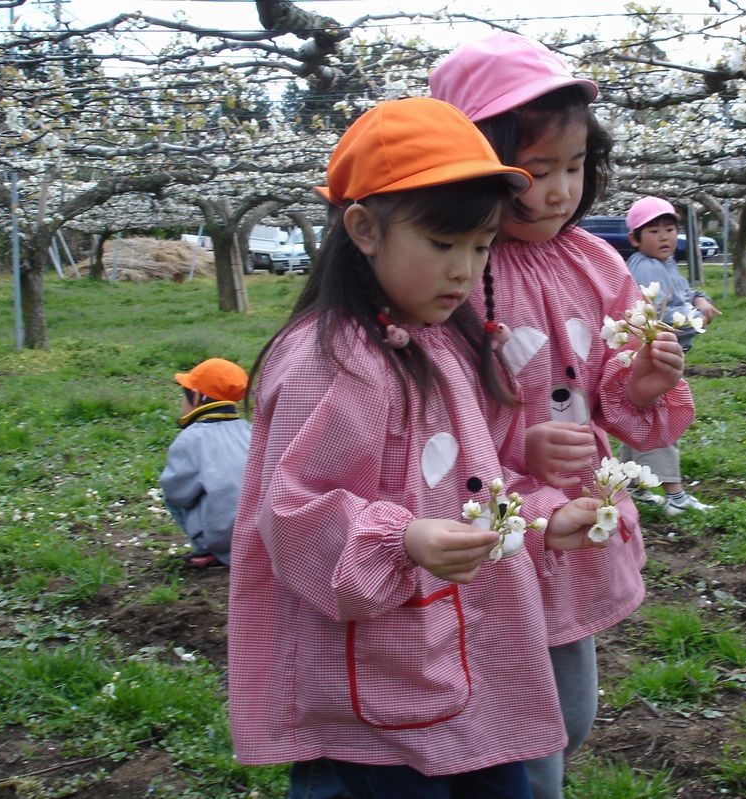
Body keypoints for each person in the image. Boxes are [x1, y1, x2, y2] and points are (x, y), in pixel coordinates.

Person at [226, 97, 606, 799]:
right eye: (442, 244)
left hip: (461, 658)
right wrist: (404, 537)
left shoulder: (447, 340)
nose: (464, 270)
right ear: (365, 229)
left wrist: (544, 517)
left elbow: (476, 481)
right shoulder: (331, 362)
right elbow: (294, 516)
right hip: (375, 686)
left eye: (481, 245)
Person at [430, 33, 695, 799]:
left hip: (574, 516)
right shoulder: (455, 264)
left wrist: (642, 382)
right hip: (489, 520)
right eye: (535, 171)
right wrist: (519, 448)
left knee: (570, 712)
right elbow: (438, 403)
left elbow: (612, 376)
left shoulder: (597, 261)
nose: (557, 192)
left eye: (574, 168)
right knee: (518, 712)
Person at [618, 196, 720, 515]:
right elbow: (663, 319)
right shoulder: (646, 267)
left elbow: (684, 292)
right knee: (663, 420)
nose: (664, 237)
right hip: (654, 359)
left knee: (640, 419)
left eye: (670, 228)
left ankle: (632, 485)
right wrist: (696, 317)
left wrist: (699, 299)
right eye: (654, 231)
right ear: (635, 238)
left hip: (659, 357)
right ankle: (674, 495)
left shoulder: (664, 263)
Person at [159, 357, 252, 569]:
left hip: (223, 536)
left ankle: (207, 550)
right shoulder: (250, 430)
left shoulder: (191, 438)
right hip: (259, 535)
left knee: (173, 494)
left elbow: (177, 492)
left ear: (199, 398)